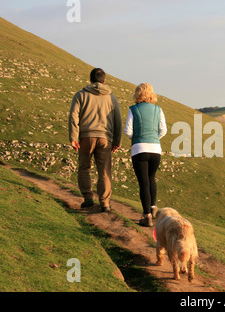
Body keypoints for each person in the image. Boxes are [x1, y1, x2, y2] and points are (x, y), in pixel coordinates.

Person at [68, 68, 122, 212]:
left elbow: (74, 116)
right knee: (104, 171)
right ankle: (105, 203)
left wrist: (73, 137)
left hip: (86, 137)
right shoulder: (111, 98)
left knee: (84, 167)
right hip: (105, 138)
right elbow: (118, 121)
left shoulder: (81, 95)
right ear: (104, 81)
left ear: (90, 80)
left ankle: (88, 198)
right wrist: (117, 141)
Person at [124, 83, 167, 227]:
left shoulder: (133, 109)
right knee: (151, 178)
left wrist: (137, 139)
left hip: (139, 148)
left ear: (137, 94)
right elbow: (163, 130)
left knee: (143, 183)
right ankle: (153, 209)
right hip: (155, 148)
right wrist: (154, 139)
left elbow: (128, 130)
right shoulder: (158, 109)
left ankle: (146, 216)